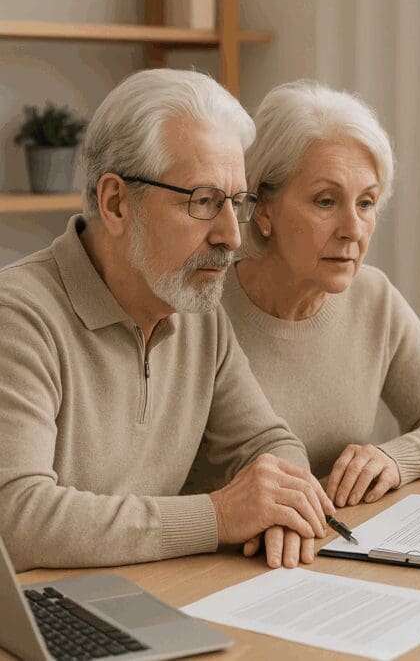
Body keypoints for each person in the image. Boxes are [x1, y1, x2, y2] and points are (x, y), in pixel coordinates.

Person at [0, 69, 334, 573]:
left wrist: (282, 508)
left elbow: (267, 443)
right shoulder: (19, 317)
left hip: (146, 593)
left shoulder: (196, 308)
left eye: (237, 204)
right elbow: (17, 521)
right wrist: (217, 517)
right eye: (203, 202)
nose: (232, 237)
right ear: (115, 203)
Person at [187, 80, 420, 521]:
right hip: (221, 562)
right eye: (326, 201)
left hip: (329, 545)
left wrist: (395, 459)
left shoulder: (373, 296)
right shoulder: (199, 305)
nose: (353, 228)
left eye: (366, 203)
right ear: (262, 208)